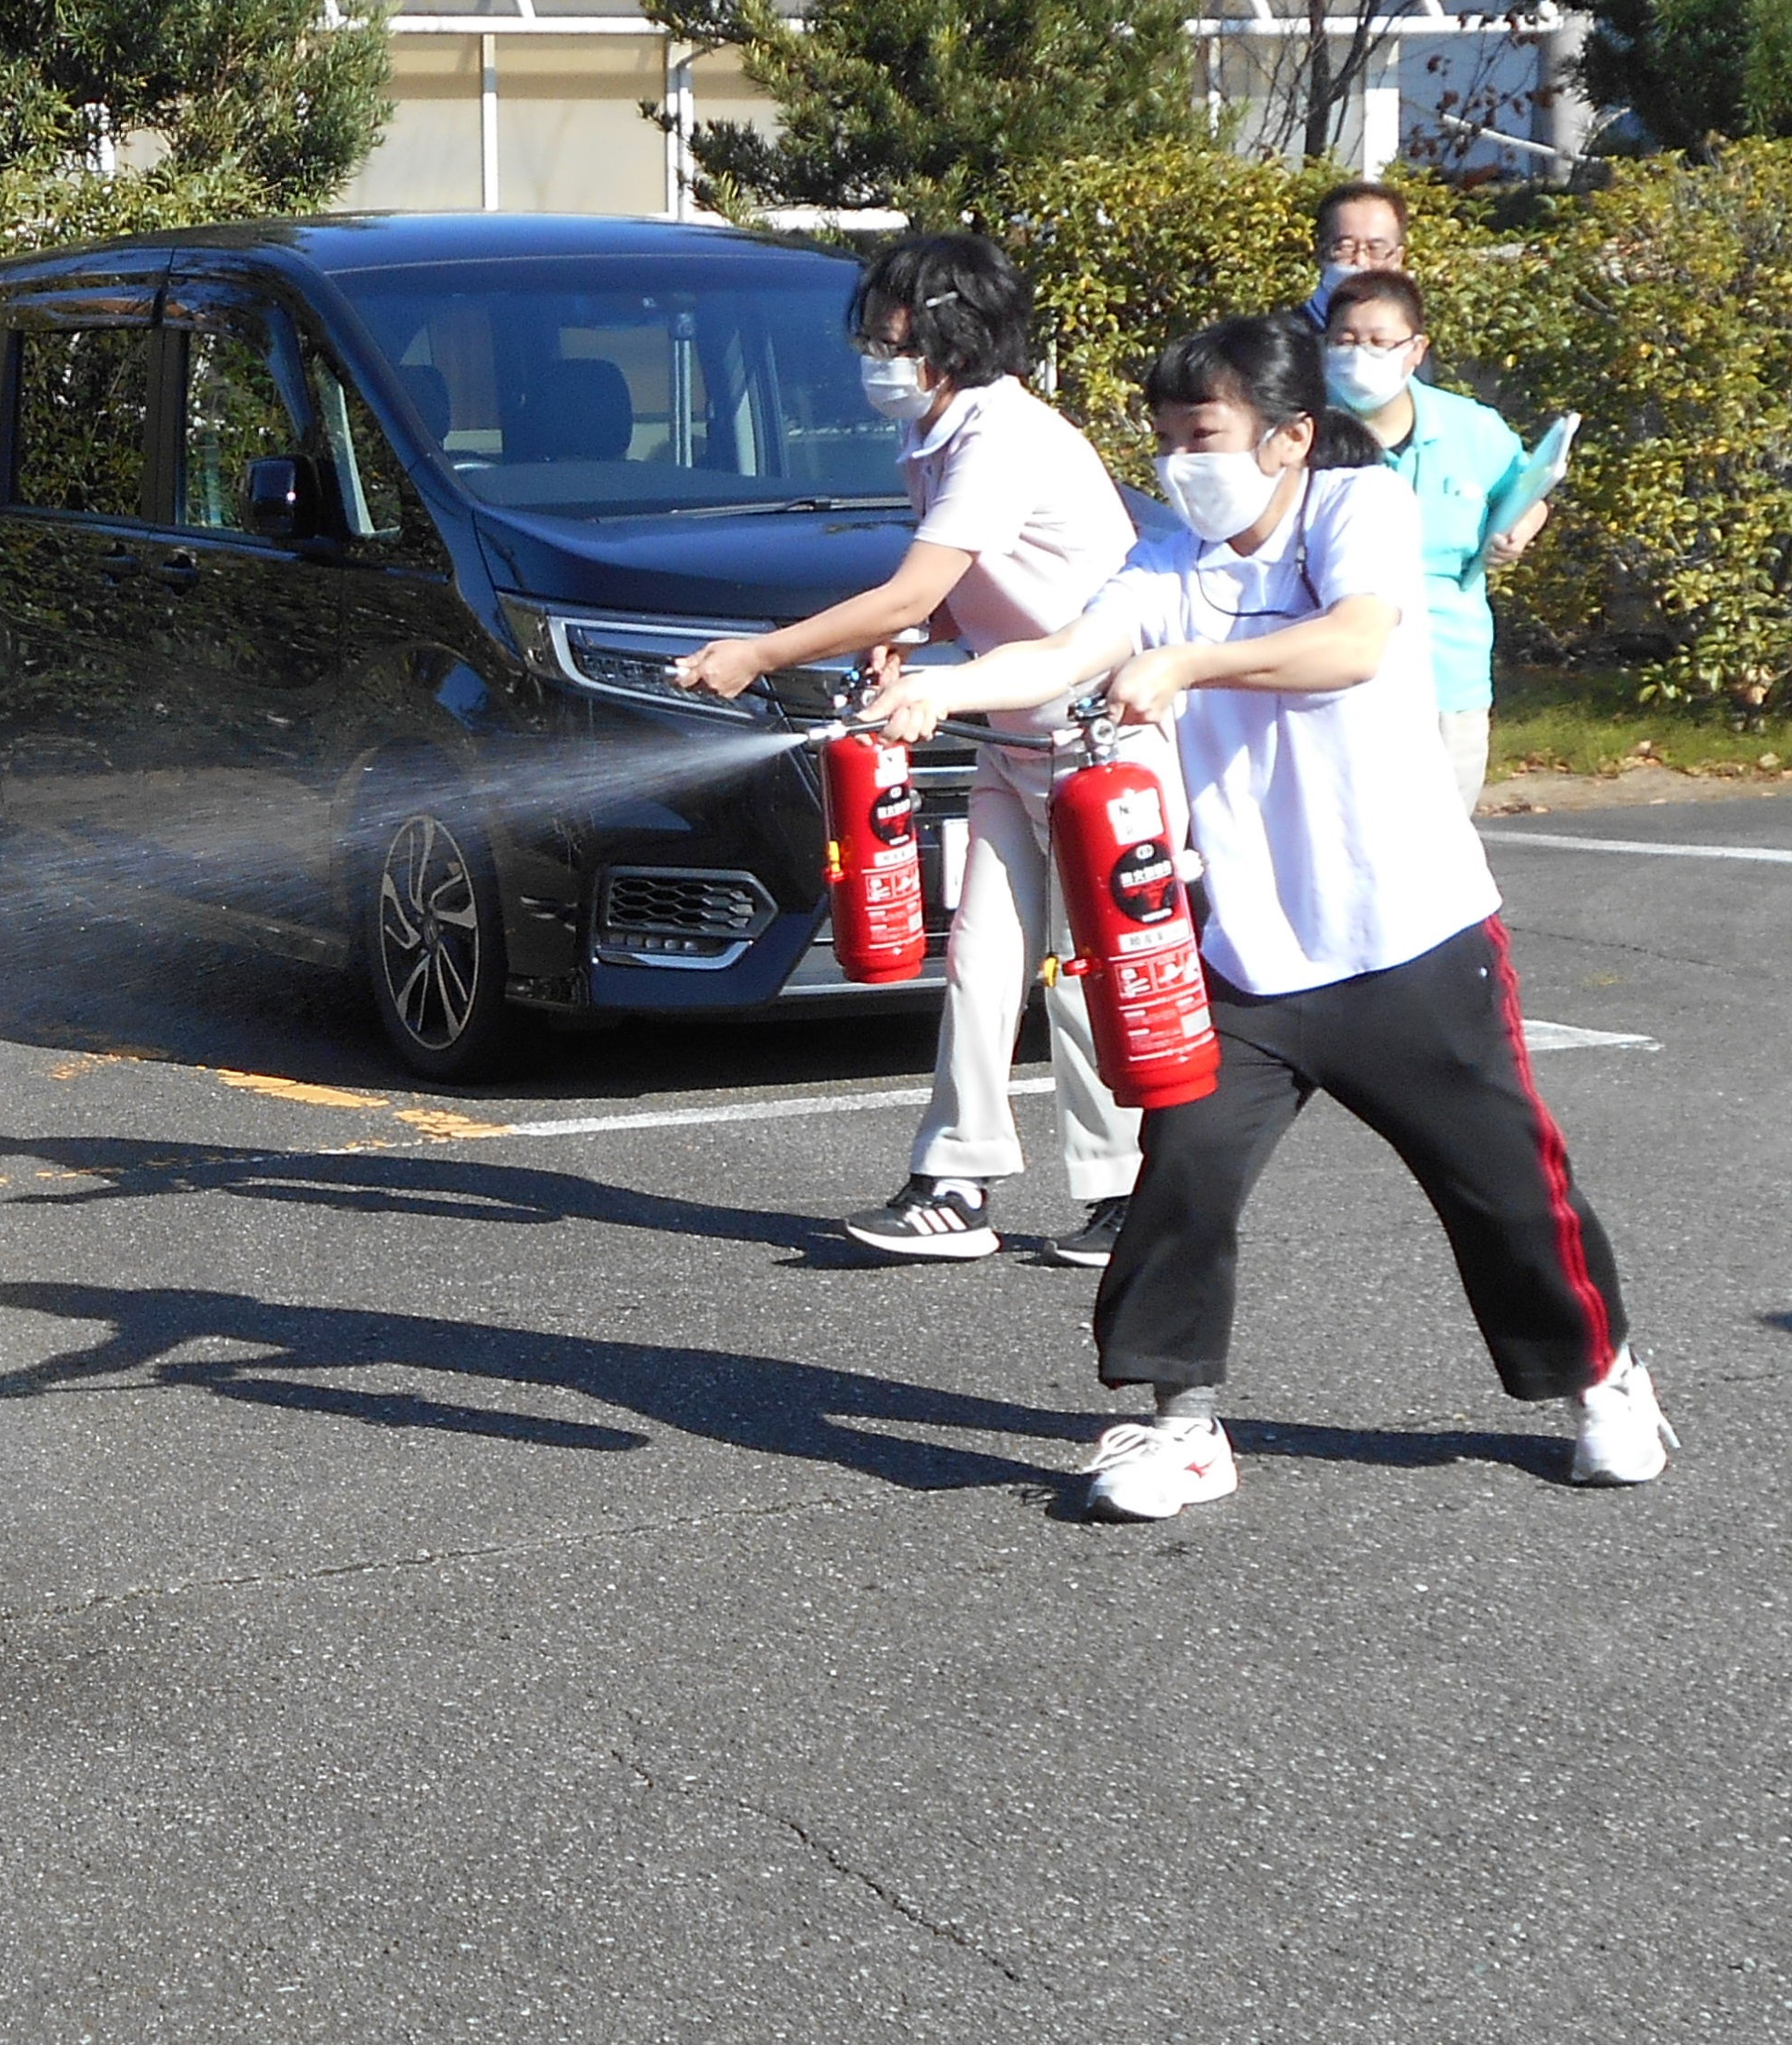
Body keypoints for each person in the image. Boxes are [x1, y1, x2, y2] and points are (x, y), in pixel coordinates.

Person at [859, 314, 1671, 1522]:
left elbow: (1351, 643)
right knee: (1182, 1173)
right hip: (1244, 954)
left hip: (1408, 936)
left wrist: (1189, 666)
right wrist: (944, 688)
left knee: (1502, 1185)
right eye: (1166, 438)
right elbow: (1066, 651)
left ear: (1288, 436)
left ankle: (1603, 1378)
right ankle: (1179, 1427)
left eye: (1204, 435)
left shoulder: (1356, 507)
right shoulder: (1166, 561)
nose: (1181, 461)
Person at [674, 234, 1158, 1268]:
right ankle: (954, 1181)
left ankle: (1130, 1194)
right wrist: (929, 634)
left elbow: (908, 588)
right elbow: (962, 590)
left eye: (893, 340)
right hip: (1012, 730)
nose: (877, 359)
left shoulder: (1002, 435)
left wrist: (761, 653)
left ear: (956, 340)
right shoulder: (934, 431)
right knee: (980, 957)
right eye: (873, 337)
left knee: (1090, 970)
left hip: (1104, 739)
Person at [1321, 267, 1548, 813]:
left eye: (1379, 342)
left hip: (1448, 675)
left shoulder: (1473, 427)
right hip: (1337, 678)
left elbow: (1529, 493)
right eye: (1345, 341)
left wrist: (1520, 530)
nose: (1360, 356)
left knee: (1441, 842)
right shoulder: (1301, 431)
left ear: (1416, 349)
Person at [1299, 181, 1407, 328]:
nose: (1360, 262)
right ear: (1320, 252)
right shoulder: (1278, 338)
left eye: (1375, 249)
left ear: (1398, 258)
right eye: (1346, 248)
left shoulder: (1408, 340)